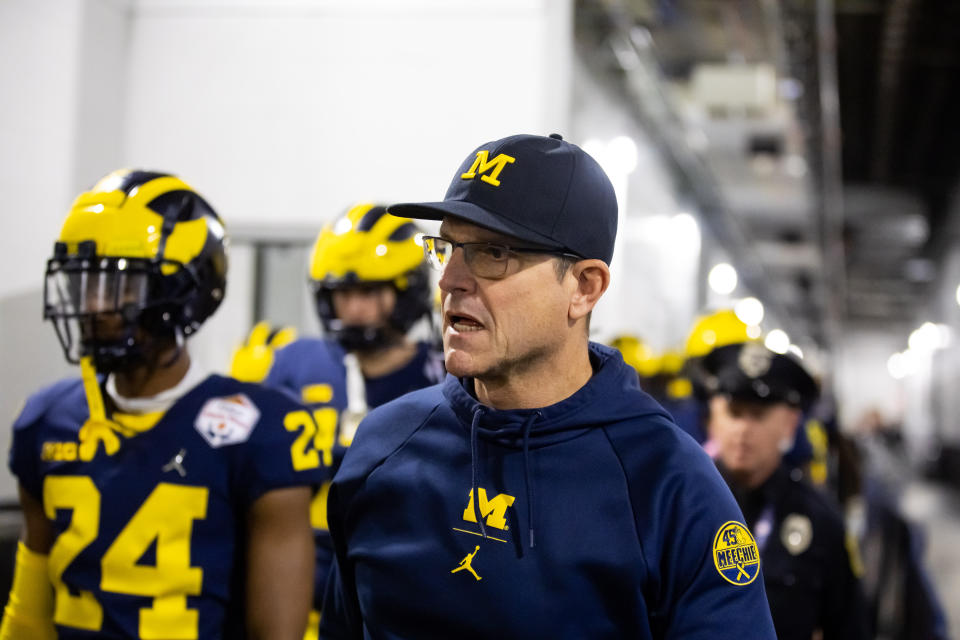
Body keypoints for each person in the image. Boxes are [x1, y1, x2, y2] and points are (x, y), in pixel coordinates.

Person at [319, 133, 776, 638]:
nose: (450, 279)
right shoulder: (384, 448)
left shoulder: (670, 486)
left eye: (493, 252)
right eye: (447, 247)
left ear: (584, 287)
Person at [1, 170, 326, 639]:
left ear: (183, 295)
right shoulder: (47, 419)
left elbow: (276, 633)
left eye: (119, 286)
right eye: (84, 284)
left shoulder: (264, 428)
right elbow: (29, 617)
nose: (94, 306)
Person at [229, 202, 444, 631]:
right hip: (299, 580)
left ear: (407, 290)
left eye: (368, 292)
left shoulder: (441, 372)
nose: (354, 308)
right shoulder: (290, 365)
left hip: (399, 580)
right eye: (344, 294)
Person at [700, 340, 869, 640]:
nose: (742, 429)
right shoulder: (681, 505)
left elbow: (850, 626)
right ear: (713, 419)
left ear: (790, 424)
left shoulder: (820, 521)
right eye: (734, 412)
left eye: (758, 415)